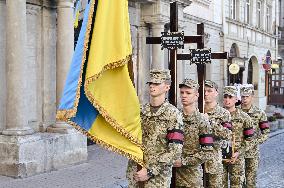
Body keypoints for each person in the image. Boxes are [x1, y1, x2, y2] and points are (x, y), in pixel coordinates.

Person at [126, 69, 184, 188]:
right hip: (135, 171)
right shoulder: (140, 111)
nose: (152, 86)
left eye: (157, 83)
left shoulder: (173, 114)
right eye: (150, 83)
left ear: (167, 87)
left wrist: (150, 171)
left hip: (158, 178)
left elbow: (175, 150)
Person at [174, 79, 214, 188]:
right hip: (171, 175)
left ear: (196, 95)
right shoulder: (173, 117)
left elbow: (207, 152)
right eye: (182, 92)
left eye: (188, 93)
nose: (184, 96)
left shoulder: (202, 121)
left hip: (191, 178)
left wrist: (184, 161)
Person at [222, 86, 255, 188]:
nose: (227, 100)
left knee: (236, 185)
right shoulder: (218, 116)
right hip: (220, 158)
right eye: (225, 97)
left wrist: (238, 152)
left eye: (230, 97)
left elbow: (250, 139)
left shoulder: (244, 117)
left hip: (236, 158)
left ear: (236, 99)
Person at [203, 80, 232, 188]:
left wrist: (209, 122)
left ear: (216, 92)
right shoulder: (196, 110)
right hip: (195, 161)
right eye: (204, 91)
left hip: (213, 160)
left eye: (209, 91)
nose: (206, 94)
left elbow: (227, 134)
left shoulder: (223, 113)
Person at [240, 85, 269, 188]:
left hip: (252, 154)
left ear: (252, 96)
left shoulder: (259, 113)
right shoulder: (236, 112)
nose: (244, 99)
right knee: (238, 182)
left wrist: (256, 141)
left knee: (250, 182)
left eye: (247, 96)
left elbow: (266, 132)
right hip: (238, 153)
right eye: (243, 96)